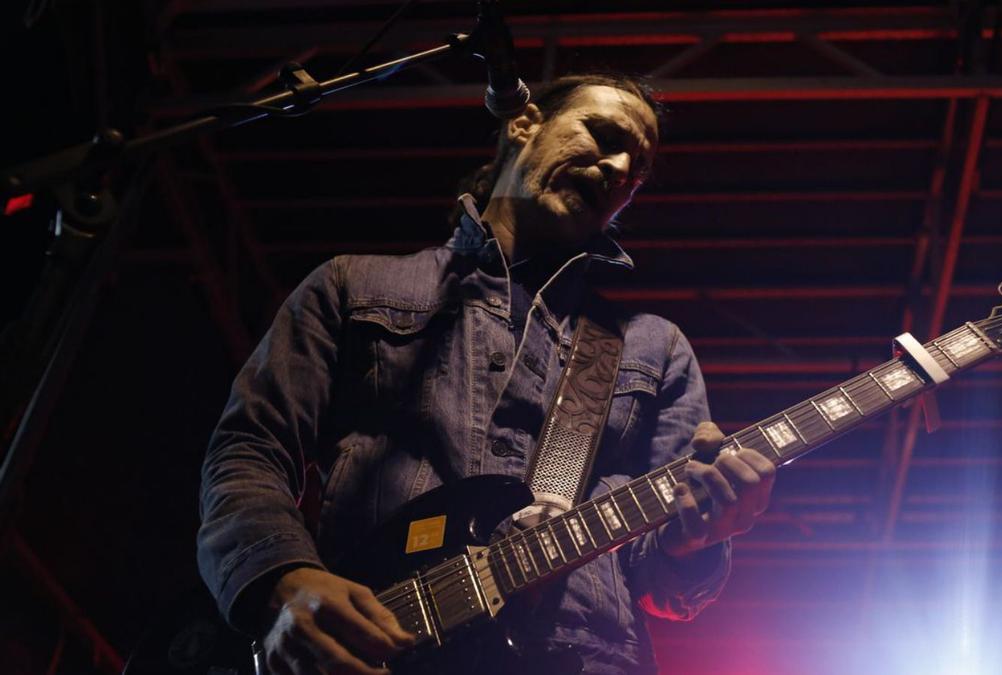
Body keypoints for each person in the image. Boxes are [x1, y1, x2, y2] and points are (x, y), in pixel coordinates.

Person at [197, 73, 777, 675]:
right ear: (522, 124)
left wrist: (700, 538)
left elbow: (664, 583)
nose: (620, 167)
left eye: (638, 168)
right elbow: (249, 448)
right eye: (603, 136)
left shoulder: (655, 348)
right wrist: (281, 578)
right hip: (378, 646)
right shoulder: (353, 285)